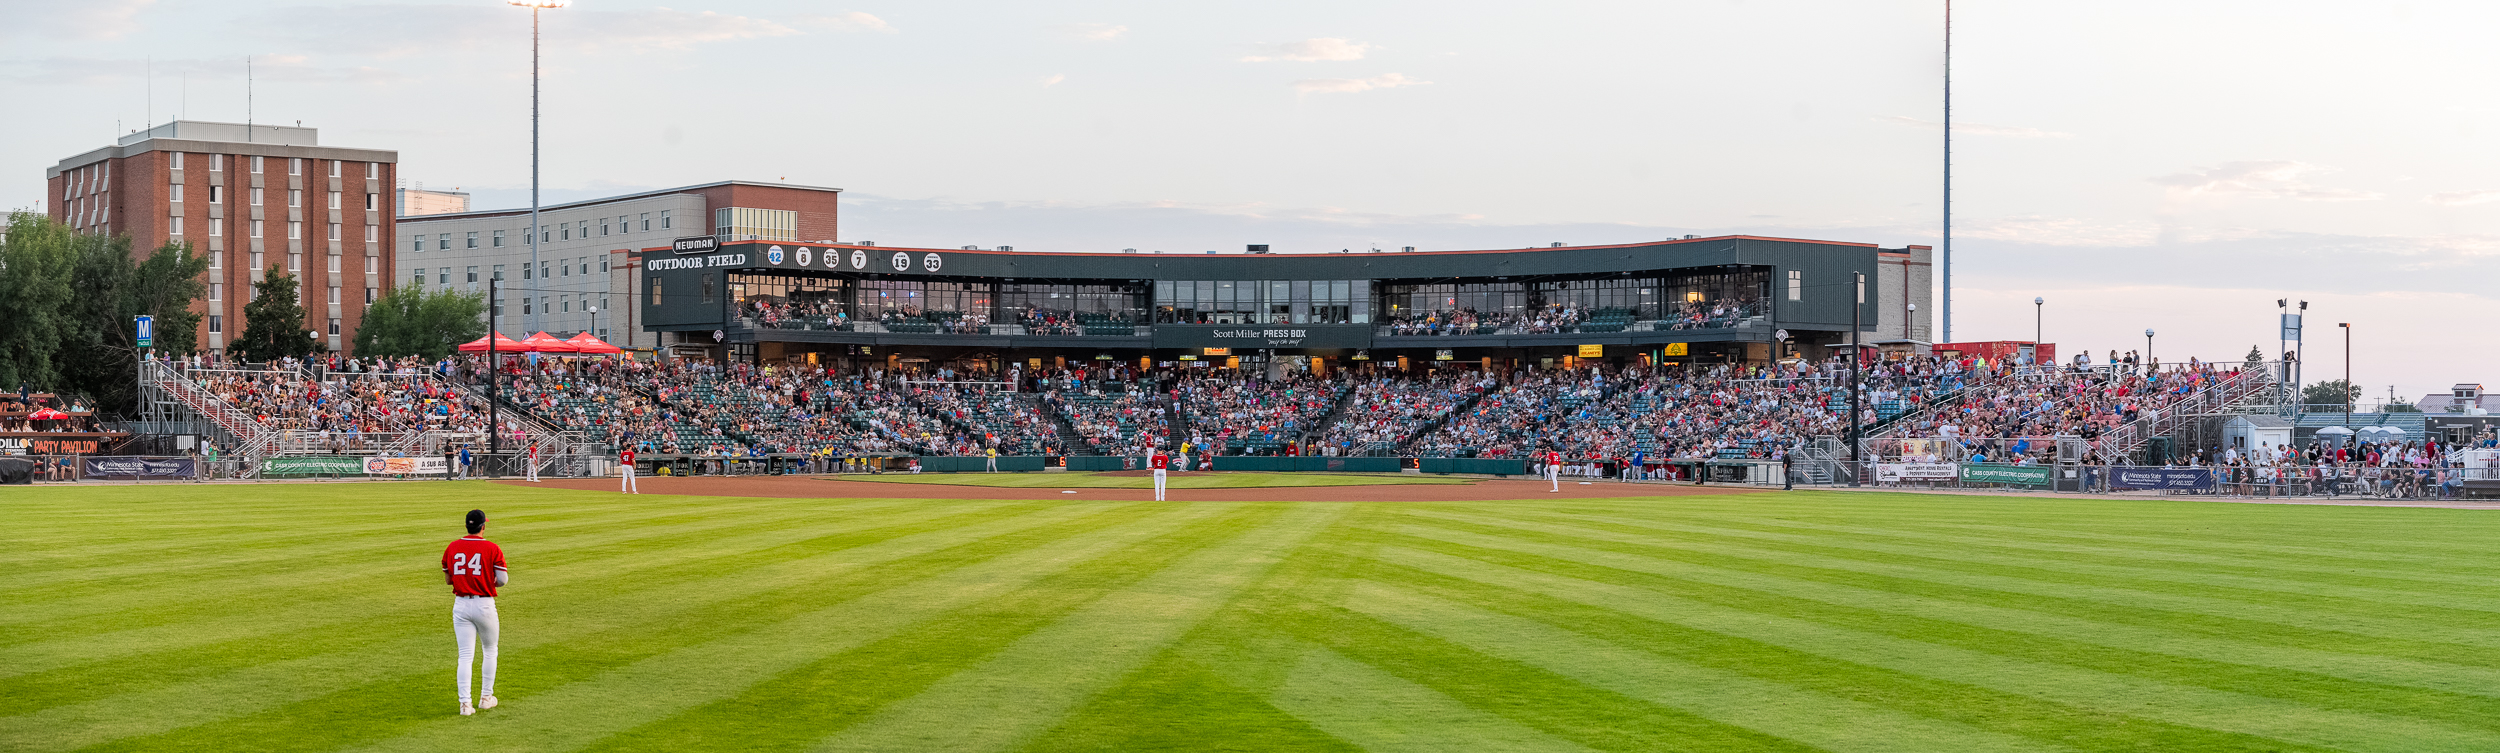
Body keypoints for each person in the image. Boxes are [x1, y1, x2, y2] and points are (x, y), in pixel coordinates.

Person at [442, 509, 508, 716]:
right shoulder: (492, 548)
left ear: (466, 526)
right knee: (490, 650)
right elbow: (503, 580)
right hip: (484, 604)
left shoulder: (452, 547)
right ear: (483, 526)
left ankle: (465, 704)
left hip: (461, 605)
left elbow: (448, 579)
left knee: (465, 656)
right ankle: (486, 698)